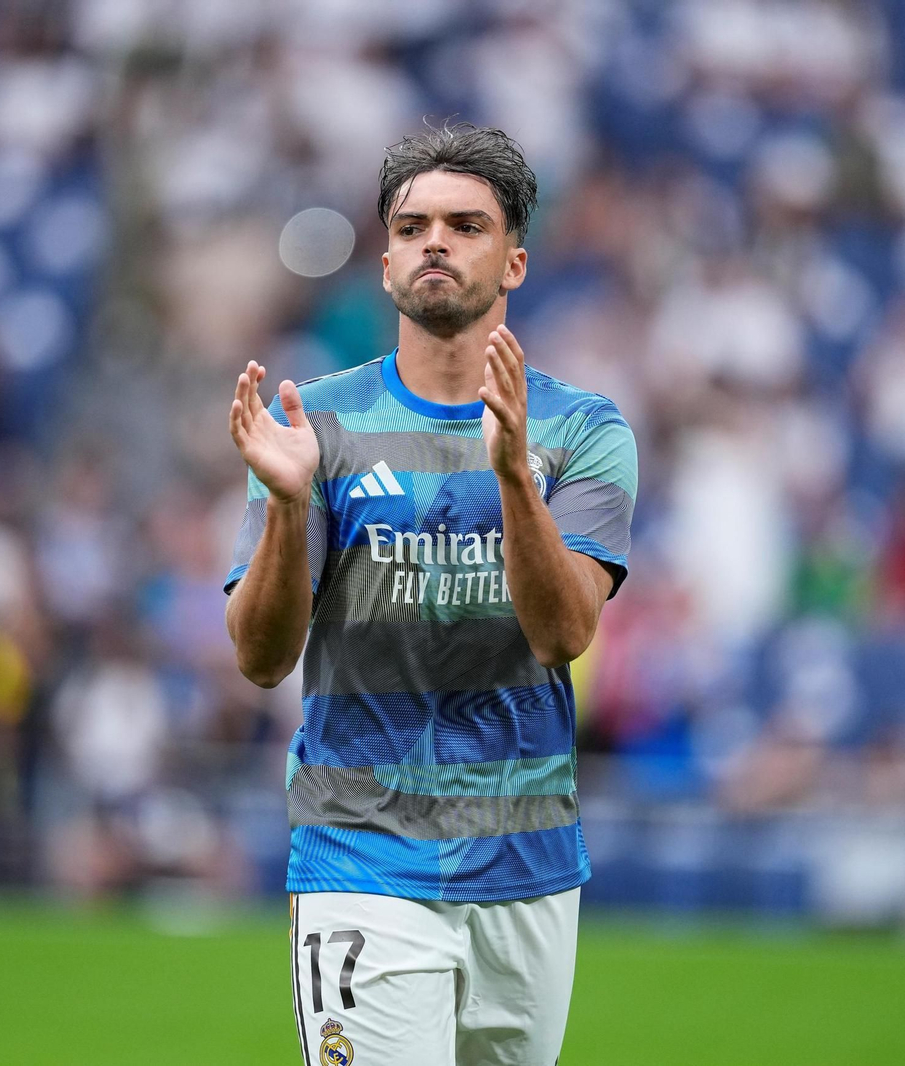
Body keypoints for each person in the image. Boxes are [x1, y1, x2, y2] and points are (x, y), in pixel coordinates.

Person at [224, 123, 637, 1065]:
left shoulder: (584, 431)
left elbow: (564, 629)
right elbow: (258, 656)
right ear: (385, 262)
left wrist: (513, 479)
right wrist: (289, 507)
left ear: (516, 261)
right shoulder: (310, 427)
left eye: (465, 224)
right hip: (362, 850)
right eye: (411, 228)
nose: (435, 243)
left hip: (527, 861)